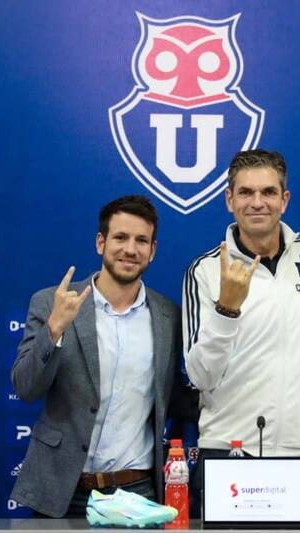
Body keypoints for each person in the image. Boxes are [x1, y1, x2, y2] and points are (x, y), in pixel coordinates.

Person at [182, 149, 300, 517]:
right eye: (246, 193)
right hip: (229, 452)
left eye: (268, 192)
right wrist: (227, 310)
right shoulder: (204, 271)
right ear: (229, 200)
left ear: (284, 200)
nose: (257, 203)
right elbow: (199, 376)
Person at [10, 195, 181, 518]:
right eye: (120, 237)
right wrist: (54, 330)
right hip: (64, 492)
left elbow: (175, 396)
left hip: (138, 493)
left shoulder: (168, 316)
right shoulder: (52, 303)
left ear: (153, 251)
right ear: (100, 243)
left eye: (141, 240)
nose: (130, 249)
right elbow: (25, 387)